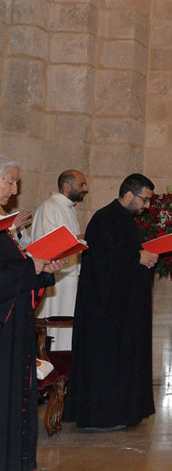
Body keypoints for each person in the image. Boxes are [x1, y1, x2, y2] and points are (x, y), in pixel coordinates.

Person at [63, 173, 159, 430]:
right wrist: (137, 258)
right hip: (104, 310)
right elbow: (103, 262)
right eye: (144, 200)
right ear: (129, 194)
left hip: (124, 308)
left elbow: (127, 255)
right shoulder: (104, 219)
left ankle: (124, 412)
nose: (147, 206)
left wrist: (146, 258)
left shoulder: (127, 221)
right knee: (105, 362)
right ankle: (102, 416)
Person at [0, 156, 62, 469]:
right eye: (9, 181)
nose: (14, 189)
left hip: (14, 329)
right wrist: (30, 267)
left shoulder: (3, 226)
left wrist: (43, 267)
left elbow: (14, 270)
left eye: (16, 182)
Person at [33, 169, 89, 351]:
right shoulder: (50, 206)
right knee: (55, 324)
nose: (85, 189)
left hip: (69, 277)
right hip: (55, 278)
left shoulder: (68, 208)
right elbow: (48, 243)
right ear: (67, 186)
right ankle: (53, 364)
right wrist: (78, 240)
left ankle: (65, 367)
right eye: (81, 184)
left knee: (67, 327)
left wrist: (78, 239)